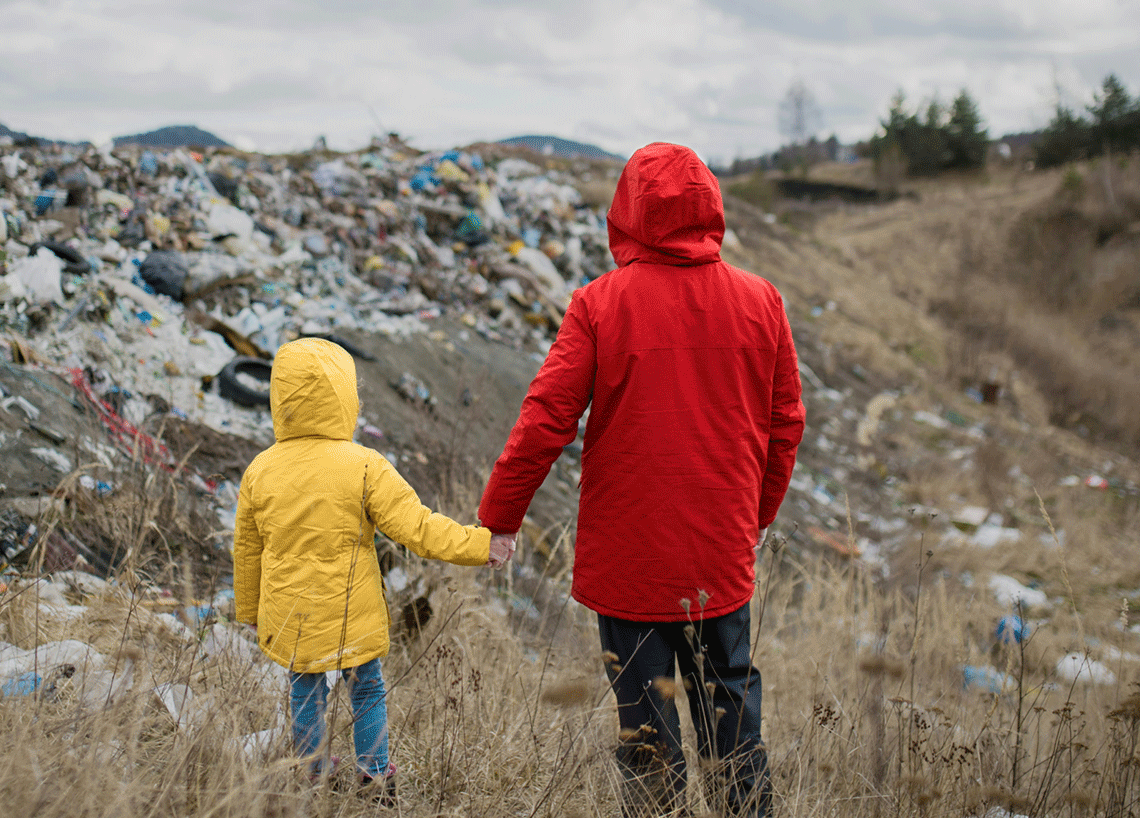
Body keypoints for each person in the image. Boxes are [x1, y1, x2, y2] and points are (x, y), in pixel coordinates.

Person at [478, 143, 805, 817]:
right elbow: (785, 422)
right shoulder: (761, 300)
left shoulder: (599, 304)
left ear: (626, 212)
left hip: (629, 564)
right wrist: (759, 515)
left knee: (646, 728)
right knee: (733, 714)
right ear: (710, 204)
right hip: (722, 552)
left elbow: (546, 417)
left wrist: (501, 515)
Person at [234, 337, 514, 805]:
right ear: (346, 397)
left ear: (278, 399)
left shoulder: (261, 470)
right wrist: (480, 545)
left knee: (304, 692)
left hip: (291, 616)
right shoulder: (363, 464)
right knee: (367, 691)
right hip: (352, 614)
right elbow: (418, 529)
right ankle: (376, 778)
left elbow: (247, 549)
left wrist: (250, 609)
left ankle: (310, 774)